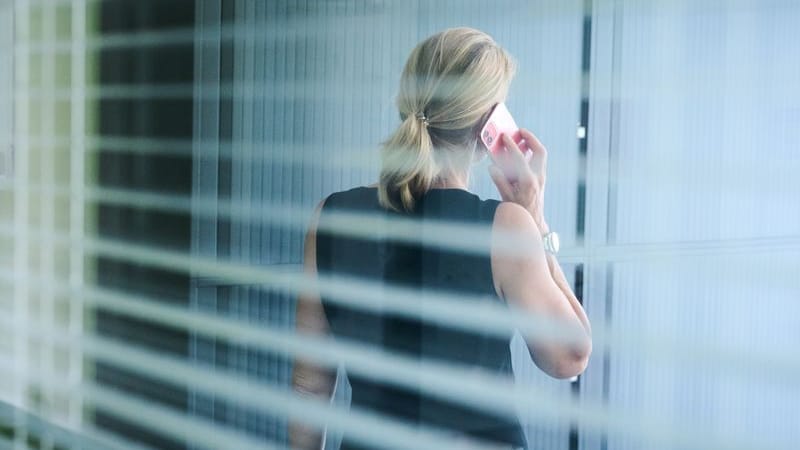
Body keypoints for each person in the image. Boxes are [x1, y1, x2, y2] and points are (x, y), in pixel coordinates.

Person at [291, 27, 592, 450]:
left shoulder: (331, 218)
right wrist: (536, 219)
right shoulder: (504, 229)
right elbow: (569, 357)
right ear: (489, 126)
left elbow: (309, 386)